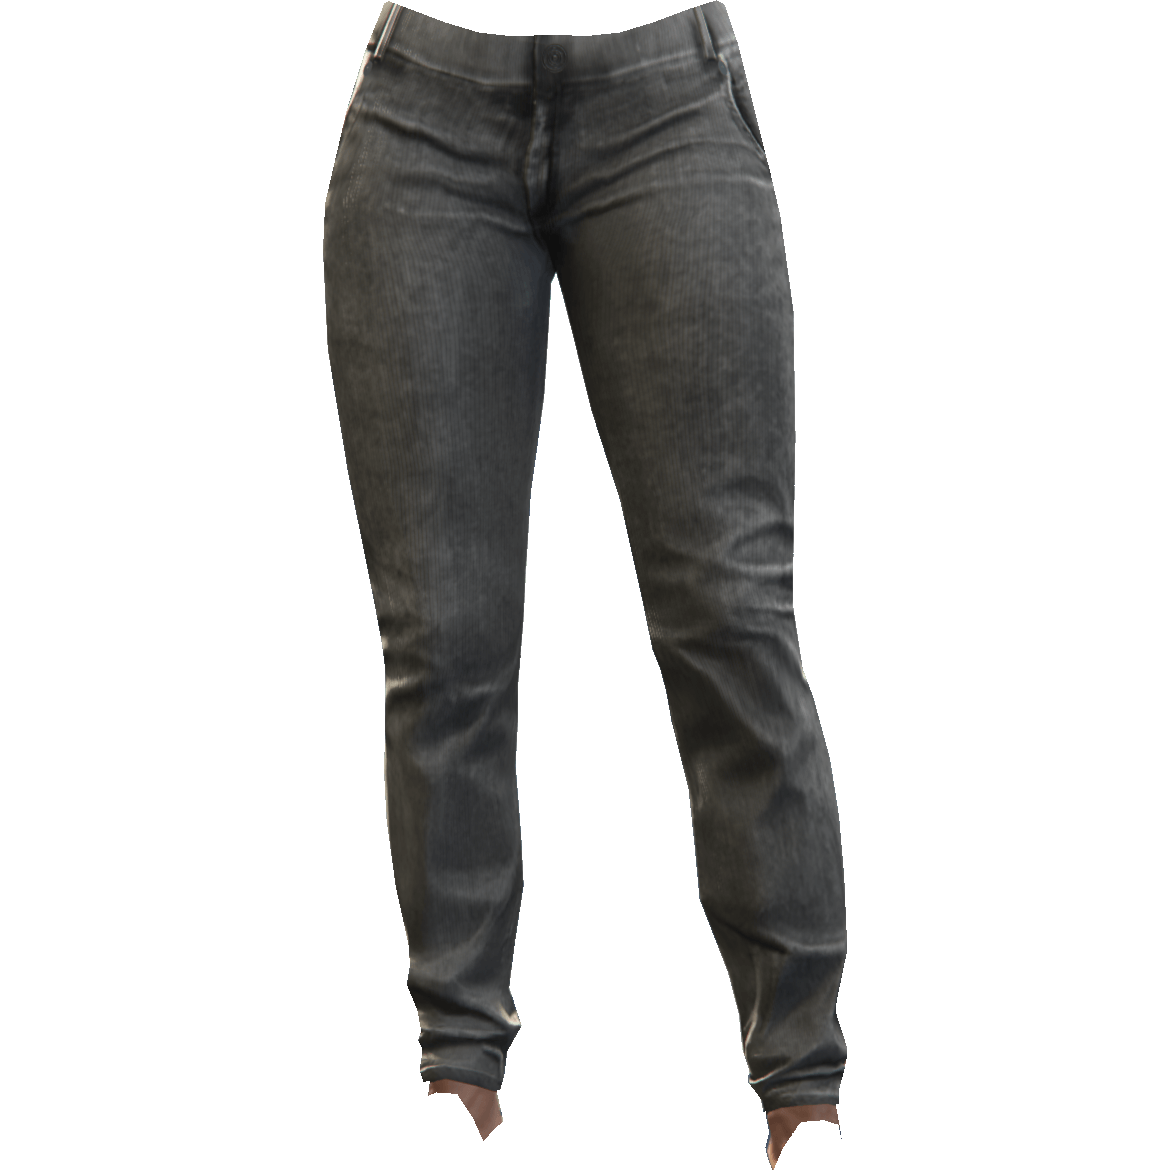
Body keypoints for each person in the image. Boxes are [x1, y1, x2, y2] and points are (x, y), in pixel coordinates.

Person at [324, 7, 846, 1161]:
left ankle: (804, 1084)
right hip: (420, 106)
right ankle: (458, 1069)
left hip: (669, 93)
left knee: (731, 617)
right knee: (442, 642)